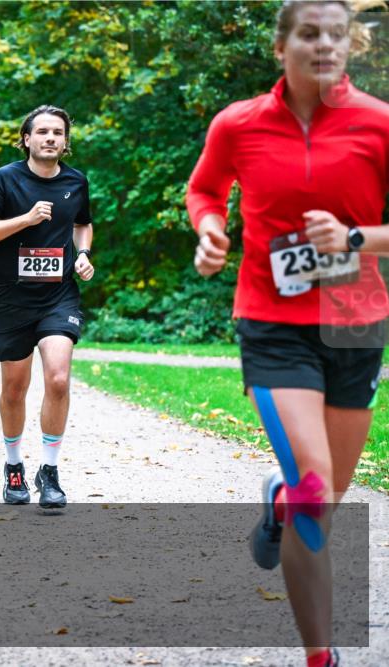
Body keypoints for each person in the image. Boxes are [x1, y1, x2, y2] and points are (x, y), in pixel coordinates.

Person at [187, 3, 388, 665]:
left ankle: (277, 505)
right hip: (273, 321)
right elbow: (206, 190)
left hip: (355, 320)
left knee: (320, 504)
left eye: (337, 34)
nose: (325, 45)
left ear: (350, 46)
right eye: (309, 34)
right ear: (282, 47)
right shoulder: (238, 124)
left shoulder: (378, 124)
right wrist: (210, 230)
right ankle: (320, 655)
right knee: (312, 484)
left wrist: (357, 238)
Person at [0, 105, 95, 510]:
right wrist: (24, 219)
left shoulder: (76, 182)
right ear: (27, 138)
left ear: (65, 141)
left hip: (58, 295)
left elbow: (82, 223)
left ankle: (51, 471)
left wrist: (83, 253)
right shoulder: (5, 180)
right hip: (12, 298)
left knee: (58, 379)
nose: (50, 138)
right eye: (42, 131)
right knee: (14, 389)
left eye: (57, 132)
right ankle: (13, 466)